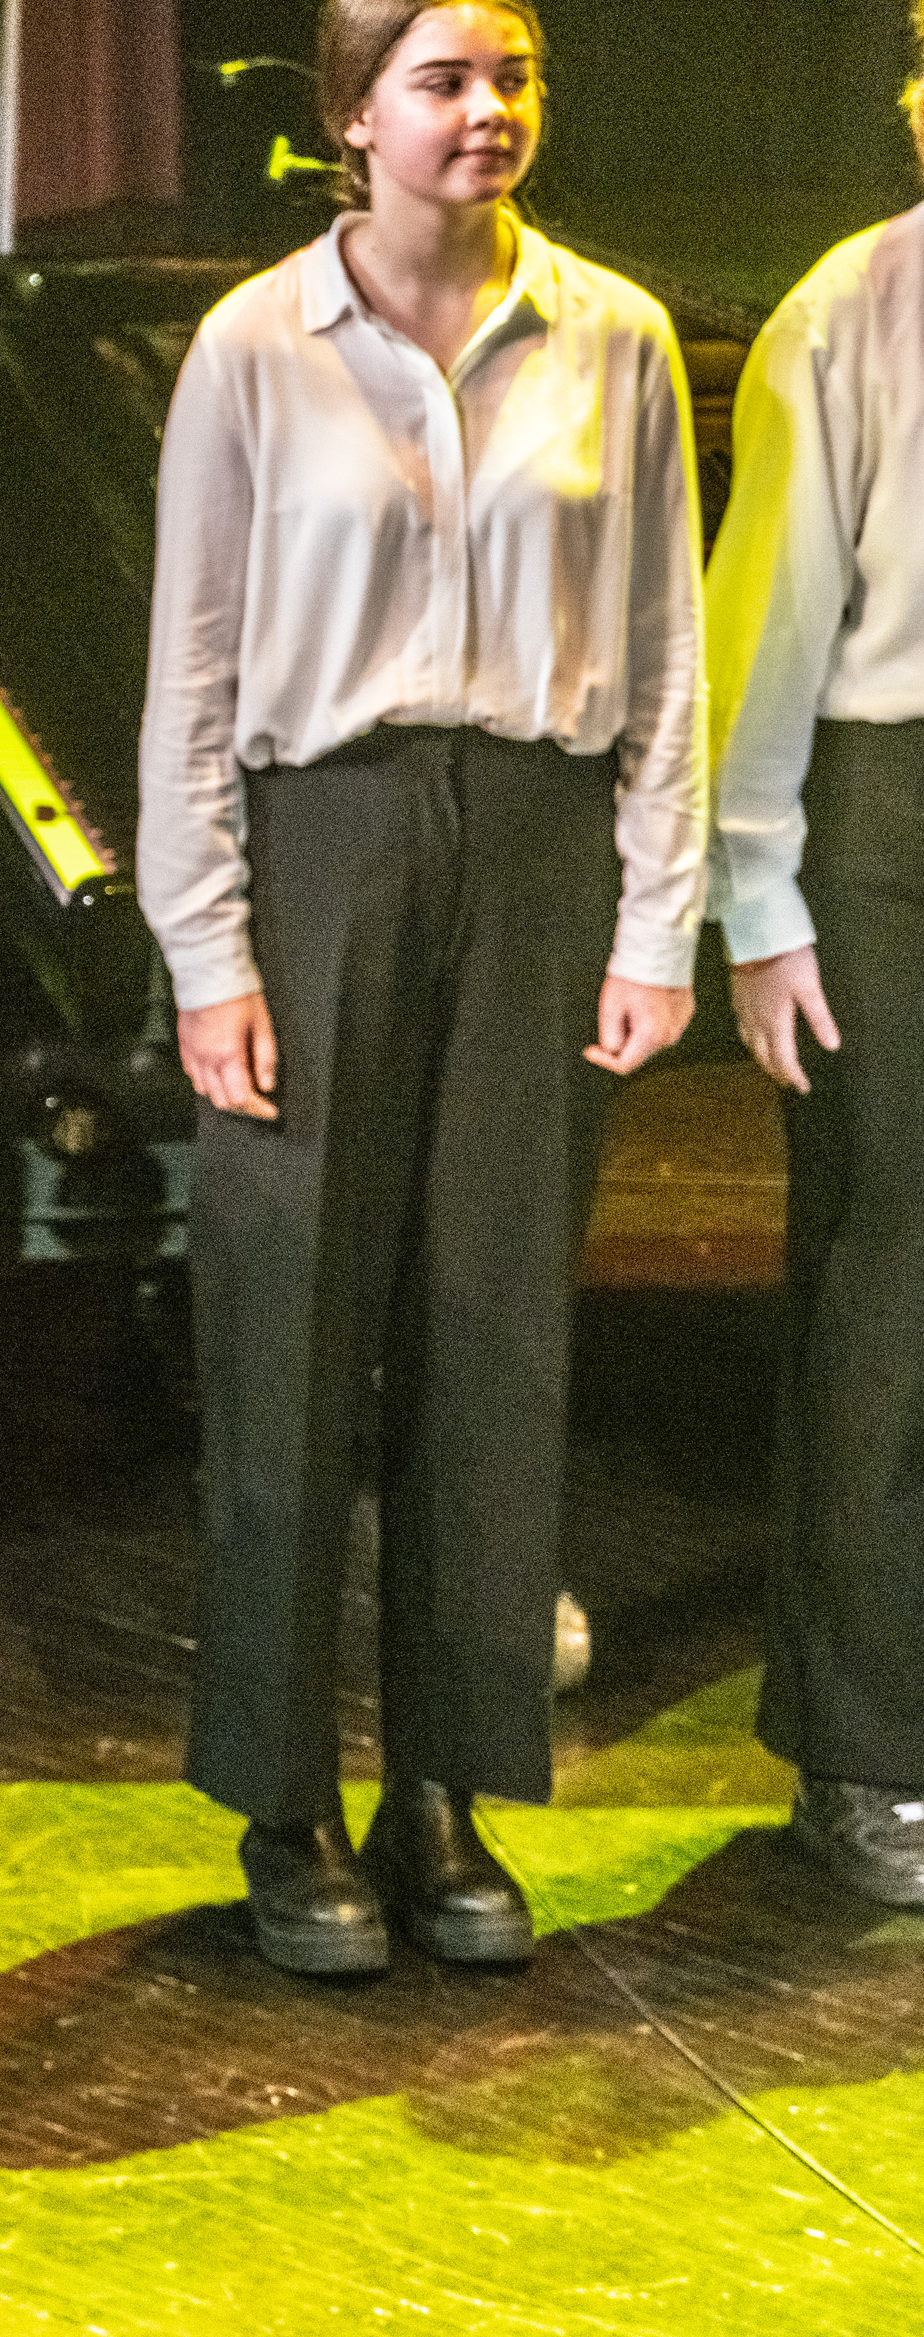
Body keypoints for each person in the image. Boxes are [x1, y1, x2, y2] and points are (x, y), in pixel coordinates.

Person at [136, 0, 705, 1974]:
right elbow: (189, 673)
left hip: (538, 846)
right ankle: (284, 1800)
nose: (487, 111)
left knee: (494, 1330)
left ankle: (444, 1786)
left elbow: (664, 651)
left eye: (513, 75)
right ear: (352, 116)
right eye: (444, 81)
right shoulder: (252, 346)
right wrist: (207, 949)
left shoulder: (617, 336)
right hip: (326, 844)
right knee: (287, 1329)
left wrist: (656, 921)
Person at [704, 21, 924, 1911]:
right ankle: (866, 1751)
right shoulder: (846, 314)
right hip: (889, 812)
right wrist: (759, 901)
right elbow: (767, 621)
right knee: (892, 1273)